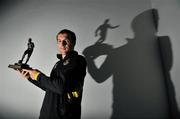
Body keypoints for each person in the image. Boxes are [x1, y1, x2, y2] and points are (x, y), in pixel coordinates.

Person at [19, 29, 87, 119]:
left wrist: (38, 75)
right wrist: (30, 77)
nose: (62, 44)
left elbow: (60, 87)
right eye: (59, 41)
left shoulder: (78, 60)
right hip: (47, 114)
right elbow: (50, 87)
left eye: (65, 41)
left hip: (63, 115)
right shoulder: (58, 63)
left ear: (73, 42)